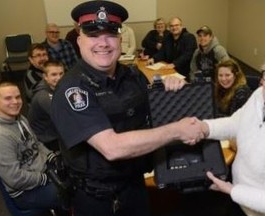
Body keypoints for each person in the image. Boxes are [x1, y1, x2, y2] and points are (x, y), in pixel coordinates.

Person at [50, 1, 204, 216]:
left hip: (134, 186)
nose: (103, 43)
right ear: (79, 40)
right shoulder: (73, 89)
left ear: (120, 40)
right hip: (97, 198)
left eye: (111, 35)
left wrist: (167, 92)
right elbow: (112, 148)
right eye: (93, 35)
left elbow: (152, 119)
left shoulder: (131, 75)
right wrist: (177, 130)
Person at [0, 82, 69, 215]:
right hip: (25, 192)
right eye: (8, 98)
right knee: (73, 195)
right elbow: (15, 179)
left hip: (40, 171)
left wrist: (51, 157)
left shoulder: (19, 119)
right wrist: (46, 178)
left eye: (18, 97)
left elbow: (36, 143)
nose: (15, 102)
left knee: (78, 174)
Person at [197, 68, 265, 215]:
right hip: (236, 196)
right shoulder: (259, 95)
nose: (262, 84)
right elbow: (235, 123)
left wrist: (232, 190)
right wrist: (204, 127)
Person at [28, 60, 65, 152]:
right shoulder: (43, 96)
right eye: (54, 74)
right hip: (46, 139)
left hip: (54, 130)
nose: (59, 78)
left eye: (61, 73)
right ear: (45, 77)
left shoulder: (57, 87)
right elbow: (65, 117)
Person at [147, 17, 197, 81]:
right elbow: (162, 52)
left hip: (184, 72)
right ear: (169, 28)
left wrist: (174, 64)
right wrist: (153, 58)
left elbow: (187, 55)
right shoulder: (168, 37)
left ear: (181, 26)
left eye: (176, 25)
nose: (174, 28)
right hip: (170, 70)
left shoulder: (189, 37)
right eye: (171, 26)